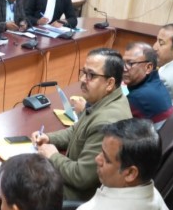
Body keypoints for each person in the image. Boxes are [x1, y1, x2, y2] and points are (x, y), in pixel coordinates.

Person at [33, 48, 132, 201]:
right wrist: (49, 138)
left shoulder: (105, 122)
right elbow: (77, 130)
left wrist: (53, 156)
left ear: (110, 83)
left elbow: (81, 177)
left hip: (80, 195)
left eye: (91, 75)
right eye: (84, 72)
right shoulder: (108, 99)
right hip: (75, 180)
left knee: (24, 184)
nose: (83, 79)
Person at [122, 42, 173, 128]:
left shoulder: (138, 97)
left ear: (148, 67)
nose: (124, 68)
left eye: (130, 63)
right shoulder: (157, 83)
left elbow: (116, 123)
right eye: (123, 62)